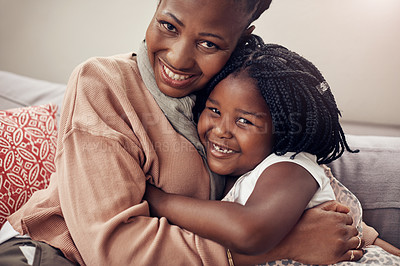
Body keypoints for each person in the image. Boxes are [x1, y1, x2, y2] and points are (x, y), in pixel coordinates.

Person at [0, 1, 363, 265]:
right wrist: (278, 247)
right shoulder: (103, 83)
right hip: (48, 252)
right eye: (168, 26)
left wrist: (352, 231)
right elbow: (110, 251)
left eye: (209, 43)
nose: (178, 59)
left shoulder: (229, 96)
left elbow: (285, 178)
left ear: (241, 39)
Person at [144, 34, 400, 265]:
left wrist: (159, 201)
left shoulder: (290, 168)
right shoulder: (246, 175)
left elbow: (250, 230)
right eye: (214, 110)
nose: (221, 130)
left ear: (282, 129)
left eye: (244, 121)